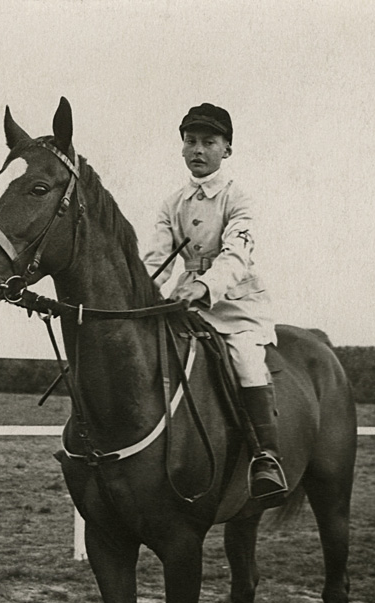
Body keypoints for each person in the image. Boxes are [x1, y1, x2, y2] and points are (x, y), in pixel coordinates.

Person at [142, 102, 288, 503]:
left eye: (208, 142)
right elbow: (156, 261)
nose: (198, 150)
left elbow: (236, 255)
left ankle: (266, 456)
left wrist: (205, 287)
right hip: (186, 303)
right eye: (190, 141)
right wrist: (139, 296)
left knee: (245, 357)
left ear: (227, 149)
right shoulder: (172, 203)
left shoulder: (239, 198)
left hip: (236, 304)